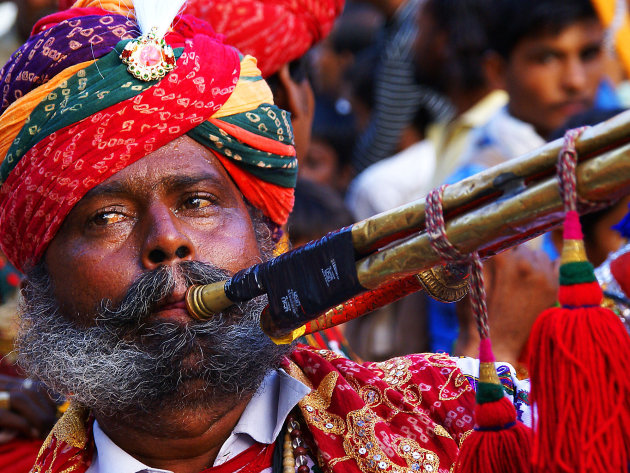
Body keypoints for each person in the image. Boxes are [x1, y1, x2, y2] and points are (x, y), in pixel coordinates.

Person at [0, 3, 533, 473]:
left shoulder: (452, 415)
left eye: (198, 203)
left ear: (268, 234)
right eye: (107, 217)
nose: (167, 240)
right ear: (38, 283)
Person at [453, 0, 606, 177]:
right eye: (547, 59)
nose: (575, 81)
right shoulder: (475, 186)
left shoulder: (618, 119)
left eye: (589, 54)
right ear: (497, 72)